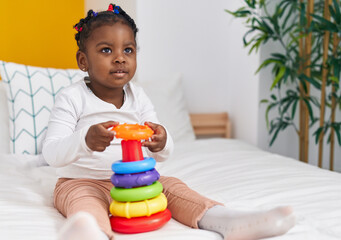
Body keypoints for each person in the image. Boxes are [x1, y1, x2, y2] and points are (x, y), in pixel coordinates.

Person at [42, 4, 296, 240]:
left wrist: (161, 141)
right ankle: (88, 231)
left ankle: (226, 220)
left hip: (137, 181)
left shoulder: (138, 96)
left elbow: (163, 151)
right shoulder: (72, 97)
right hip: (83, 181)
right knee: (83, 202)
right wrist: (84, 140)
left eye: (128, 50)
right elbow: (52, 152)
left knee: (173, 186)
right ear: (83, 61)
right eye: (106, 50)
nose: (120, 58)